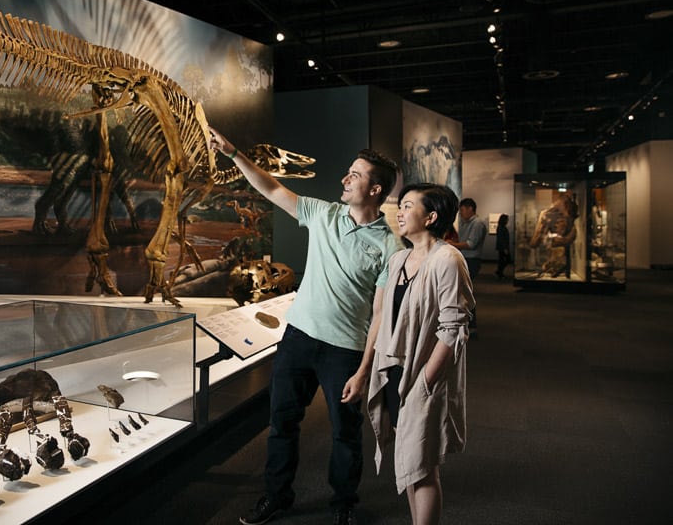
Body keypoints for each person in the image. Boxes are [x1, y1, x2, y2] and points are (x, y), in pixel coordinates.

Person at [207, 126, 402, 525]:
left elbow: (381, 315)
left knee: (345, 433)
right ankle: (277, 496)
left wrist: (365, 370)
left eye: (356, 175)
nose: (345, 179)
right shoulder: (323, 213)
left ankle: (343, 503)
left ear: (376, 190)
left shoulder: (390, 246)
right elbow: (273, 189)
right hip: (297, 339)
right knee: (282, 424)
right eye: (348, 171)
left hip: (345, 351)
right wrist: (234, 154)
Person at [367, 183, 474, 525]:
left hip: (425, 376)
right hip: (398, 372)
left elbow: (454, 327)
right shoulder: (400, 258)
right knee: (410, 461)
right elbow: (385, 317)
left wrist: (426, 381)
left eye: (408, 205)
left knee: (423, 465)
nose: (399, 211)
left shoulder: (447, 258)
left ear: (430, 216)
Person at [447, 197, 486, 336]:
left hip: (471, 260)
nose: (461, 213)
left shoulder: (478, 224)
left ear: (470, 209)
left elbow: (471, 243)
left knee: (465, 293)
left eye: (462, 210)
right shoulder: (465, 223)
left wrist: (451, 244)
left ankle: (471, 325)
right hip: (465, 259)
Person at [495, 213, 512, 278]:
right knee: (506, 260)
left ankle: (499, 272)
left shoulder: (502, 227)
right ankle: (499, 272)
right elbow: (501, 239)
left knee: (502, 260)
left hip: (503, 247)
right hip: (503, 248)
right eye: (507, 219)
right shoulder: (501, 228)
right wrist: (505, 248)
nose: (507, 221)